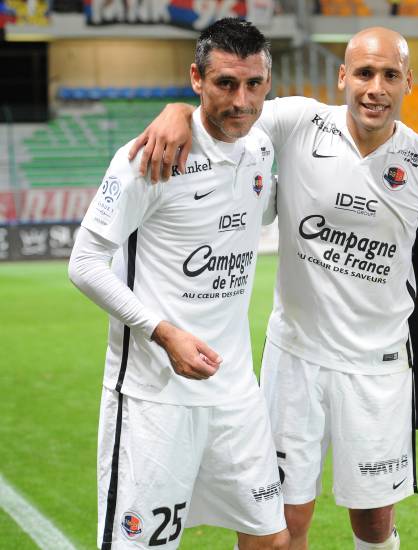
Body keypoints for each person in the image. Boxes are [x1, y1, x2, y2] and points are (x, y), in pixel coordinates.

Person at [129, 27, 418, 550]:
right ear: (342, 77)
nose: (375, 87)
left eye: (389, 76)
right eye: (364, 73)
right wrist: (177, 109)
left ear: (408, 84)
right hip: (296, 360)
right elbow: (230, 107)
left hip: (378, 368)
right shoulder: (299, 120)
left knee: (374, 523)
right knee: (283, 522)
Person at [67, 18, 289, 550]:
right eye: (225, 84)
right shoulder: (151, 157)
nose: (242, 100)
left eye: (254, 84)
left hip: (236, 390)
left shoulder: (260, 149)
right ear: (196, 78)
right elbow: (85, 261)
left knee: (270, 540)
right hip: (153, 397)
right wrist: (162, 332)